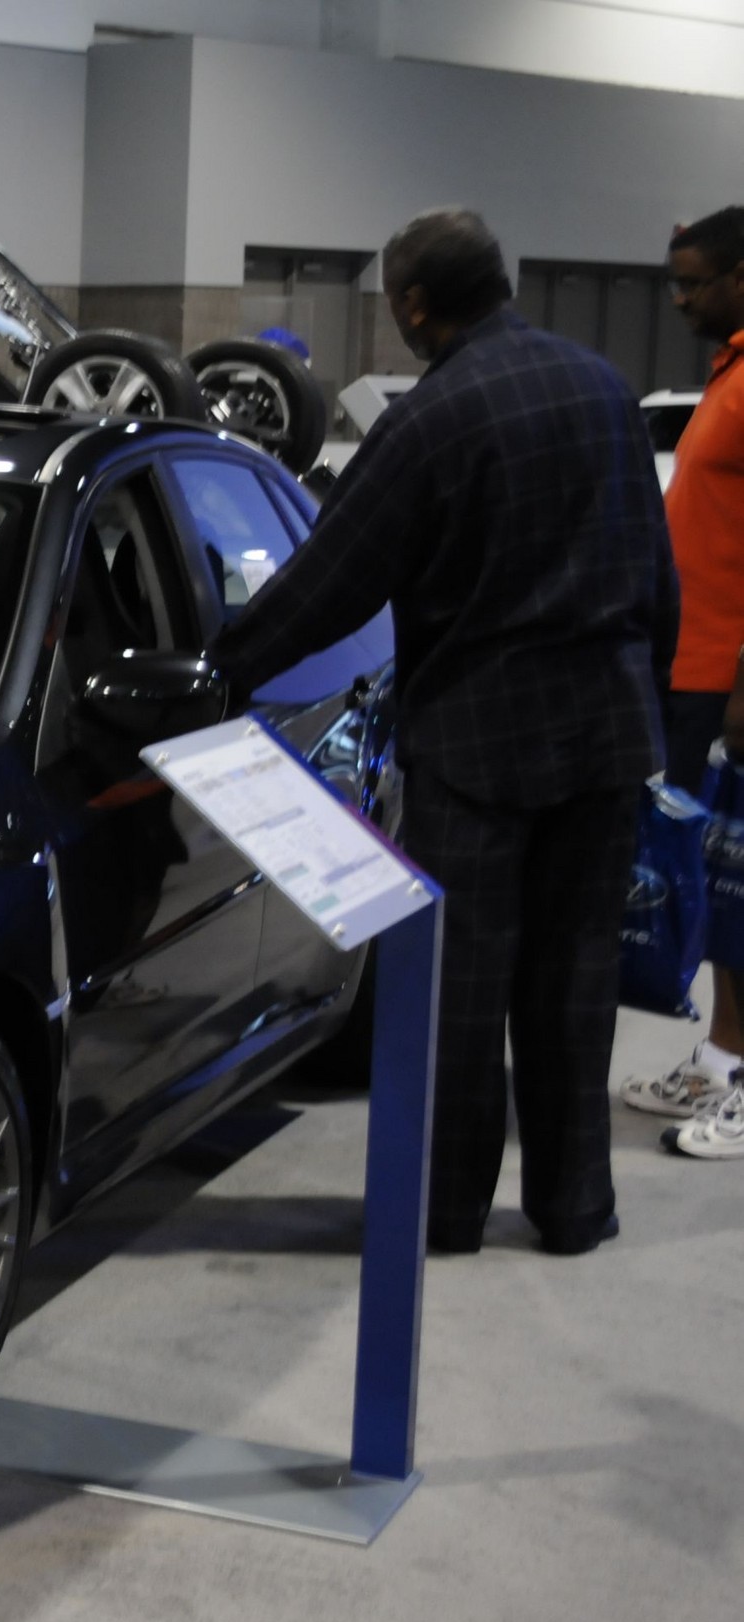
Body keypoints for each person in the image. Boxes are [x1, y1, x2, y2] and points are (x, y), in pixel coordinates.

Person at [213, 208, 678, 1255]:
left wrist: (226, 667)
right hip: (606, 737)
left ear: (416, 307)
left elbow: (332, 581)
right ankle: (572, 1209)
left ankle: (448, 1212)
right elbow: (655, 571)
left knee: (459, 996)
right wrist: (648, 702)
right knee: (575, 985)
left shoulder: (431, 420)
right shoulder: (604, 388)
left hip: (478, 753)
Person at [619, 206, 744, 1161]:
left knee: (742, 889)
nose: (680, 297)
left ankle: (742, 1078)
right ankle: (717, 1054)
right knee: (705, 884)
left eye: (695, 280)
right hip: (690, 668)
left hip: (729, 684)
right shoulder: (728, 371)